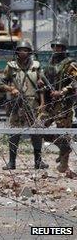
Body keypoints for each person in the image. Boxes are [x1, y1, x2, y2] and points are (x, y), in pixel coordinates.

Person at [0, 40, 48, 170]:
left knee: (36, 133)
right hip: (17, 103)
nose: (23, 52)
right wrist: (11, 89)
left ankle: (38, 161)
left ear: (29, 52)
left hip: (33, 103)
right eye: (21, 50)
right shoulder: (11, 66)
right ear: (17, 52)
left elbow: (41, 87)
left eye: (26, 50)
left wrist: (42, 103)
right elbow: (1, 84)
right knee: (14, 133)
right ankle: (12, 162)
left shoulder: (36, 66)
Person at [38, 37, 76, 177]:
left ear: (64, 49)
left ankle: (64, 164)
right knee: (38, 128)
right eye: (55, 47)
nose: (56, 49)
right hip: (49, 104)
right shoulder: (49, 64)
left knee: (64, 133)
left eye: (59, 47)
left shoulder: (70, 64)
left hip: (64, 105)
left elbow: (75, 82)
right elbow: (43, 82)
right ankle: (63, 147)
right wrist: (41, 84)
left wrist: (62, 92)